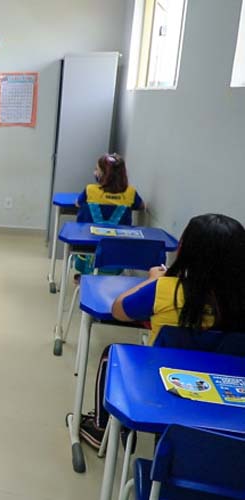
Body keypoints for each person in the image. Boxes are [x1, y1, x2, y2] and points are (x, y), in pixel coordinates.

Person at [77, 213, 245, 447]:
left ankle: (100, 427)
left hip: (163, 392)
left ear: (187, 251)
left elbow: (118, 310)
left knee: (111, 354)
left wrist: (154, 279)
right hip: (230, 405)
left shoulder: (166, 290)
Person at [74, 153, 145, 274]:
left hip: (87, 246)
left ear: (103, 174)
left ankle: (85, 275)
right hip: (118, 248)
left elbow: (77, 203)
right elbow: (142, 206)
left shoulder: (90, 190)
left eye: (97, 169)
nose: (94, 172)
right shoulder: (130, 192)